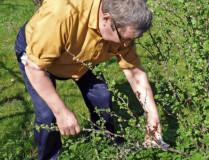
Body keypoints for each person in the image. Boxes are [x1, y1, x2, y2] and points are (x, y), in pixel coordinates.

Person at [14, 0, 162, 159]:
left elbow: (134, 72)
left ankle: (107, 143)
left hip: (83, 56)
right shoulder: (60, 15)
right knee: (47, 116)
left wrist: (152, 116)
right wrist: (61, 112)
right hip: (38, 56)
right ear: (106, 19)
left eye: (132, 39)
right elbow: (34, 68)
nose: (126, 45)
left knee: (102, 96)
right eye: (124, 38)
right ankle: (48, 156)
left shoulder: (121, 24)